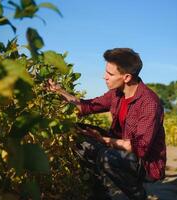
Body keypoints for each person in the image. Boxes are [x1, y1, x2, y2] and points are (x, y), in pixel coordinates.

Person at [46, 48, 166, 200]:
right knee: (77, 135)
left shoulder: (149, 103)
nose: (105, 77)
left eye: (110, 74)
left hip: (146, 164)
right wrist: (59, 91)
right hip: (122, 149)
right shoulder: (117, 94)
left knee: (106, 156)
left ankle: (137, 196)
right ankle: (100, 195)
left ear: (127, 77)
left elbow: (140, 148)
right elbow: (86, 106)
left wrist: (103, 140)